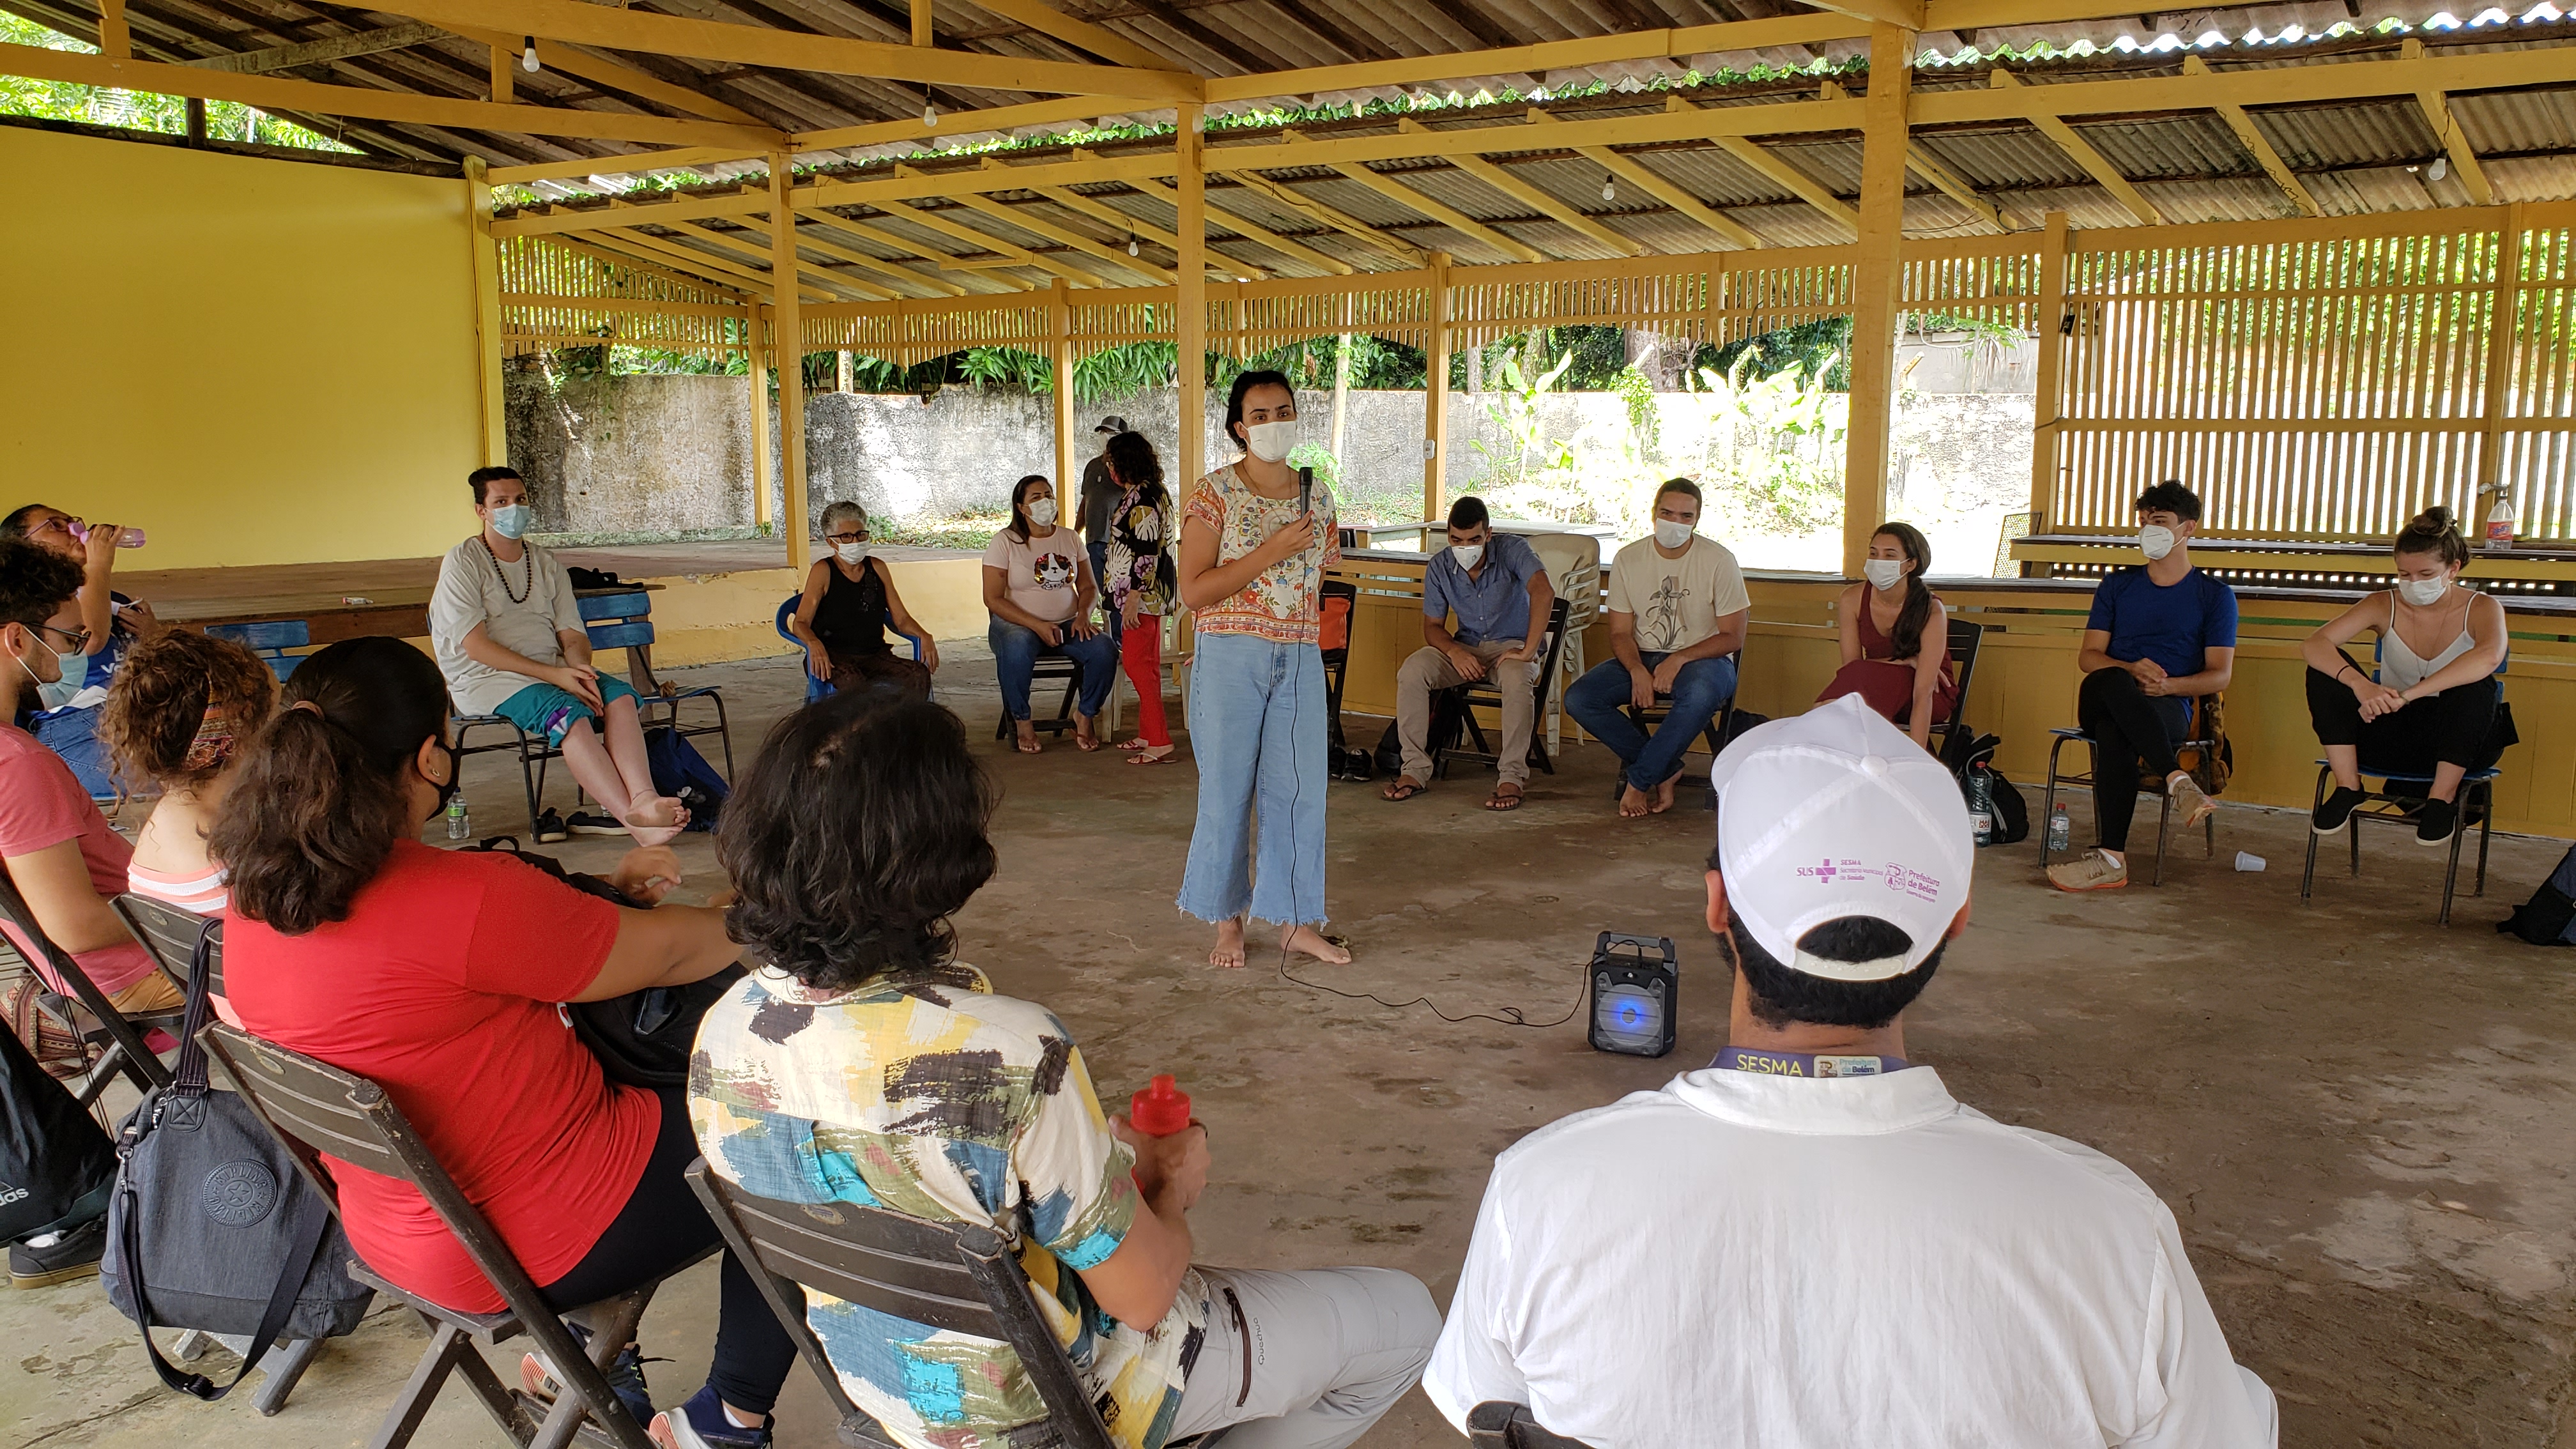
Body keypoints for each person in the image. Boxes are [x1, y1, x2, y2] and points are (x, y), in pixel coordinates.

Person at [1425, 695, 2279, 1449]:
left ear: (1717, 903)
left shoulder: (1543, 1192)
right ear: (1957, 916)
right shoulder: (2110, 1231)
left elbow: (1485, 1406)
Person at [694, 689, 1439, 1449]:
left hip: (888, 1399)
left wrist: (1086, 1167)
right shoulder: (1005, 1052)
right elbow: (1144, 1297)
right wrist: (1167, 1185)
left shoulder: (723, 1033)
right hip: (1053, 1408)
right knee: (1407, 1321)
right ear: (944, 854)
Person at [211, 637, 793, 1449]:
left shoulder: (251, 901)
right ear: (430, 758)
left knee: (650, 1095)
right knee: (802, 1139)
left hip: (394, 1231)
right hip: (528, 1239)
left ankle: (583, 1362)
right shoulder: (468, 898)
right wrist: (781, 902)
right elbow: (675, 952)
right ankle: (728, 1418)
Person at [0, 540, 168, 1290]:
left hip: (90, 967)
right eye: (71, 640)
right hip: (126, 969)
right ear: (16, 639)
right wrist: (192, 912)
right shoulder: (16, 765)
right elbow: (72, 923)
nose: (77, 655)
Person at [1176, 371, 1349, 969]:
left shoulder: (1317, 494)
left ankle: (1296, 922)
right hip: (1230, 656)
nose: (1275, 423)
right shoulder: (1215, 493)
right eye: (1261, 415)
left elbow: (1318, 578)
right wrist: (1269, 552)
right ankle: (1227, 921)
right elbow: (1194, 590)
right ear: (1240, 428)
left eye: (1284, 411)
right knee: (1226, 792)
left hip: (1298, 657)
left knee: (1300, 791)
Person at [431, 467, 688, 847]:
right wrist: (557, 677)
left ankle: (644, 799)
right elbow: (477, 647)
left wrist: (579, 667)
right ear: (481, 511)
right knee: (571, 715)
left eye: (520, 499)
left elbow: (572, 634)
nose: (514, 509)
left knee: (619, 698)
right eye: (501, 502)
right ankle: (633, 824)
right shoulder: (463, 562)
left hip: (552, 670)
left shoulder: (545, 562)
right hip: (487, 679)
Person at [2047, 480, 2237, 893]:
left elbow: (2219, 675)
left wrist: (2170, 687)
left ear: (2188, 528)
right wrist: (2130, 669)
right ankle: (2177, 780)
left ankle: (2111, 860)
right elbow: (2089, 657)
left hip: (2166, 705)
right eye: (2144, 521)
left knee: (2117, 731)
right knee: (2115, 682)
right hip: (2102, 694)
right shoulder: (2117, 586)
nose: (2149, 529)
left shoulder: (2214, 596)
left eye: (2161, 521)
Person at [2301, 506, 2511, 846]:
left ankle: (2441, 798)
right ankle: (2348, 787)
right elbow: (2315, 644)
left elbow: (2489, 656)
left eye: (2426, 574)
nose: (2414, 583)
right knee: (2324, 672)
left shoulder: (2483, 607)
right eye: (2404, 574)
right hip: (2392, 733)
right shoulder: (2382, 604)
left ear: (2453, 569)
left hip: (2462, 739)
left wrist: (2406, 696)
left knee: (2476, 684)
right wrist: (2362, 686)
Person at [1562, 479, 1751, 818]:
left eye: (1685, 516)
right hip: (1642, 655)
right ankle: (1665, 769)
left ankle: (1639, 781)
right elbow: (1620, 632)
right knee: (1580, 698)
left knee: (1699, 695)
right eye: (1667, 513)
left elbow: (1732, 637)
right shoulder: (1629, 559)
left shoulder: (1719, 560)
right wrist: (1637, 669)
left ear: (1696, 519)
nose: (1675, 523)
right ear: (1653, 514)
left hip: (1705, 660)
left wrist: (1679, 659)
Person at [1381, 496, 1555, 811]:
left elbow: (1543, 590)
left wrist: (1528, 650)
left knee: (1517, 680)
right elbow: (1433, 627)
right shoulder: (1440, 566)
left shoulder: (1512, 549)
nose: (1465, 547)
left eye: (1474, 540)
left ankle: (1511, 777)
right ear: (1448, 536)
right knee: (1413, 670)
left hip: (1510, 648)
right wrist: (1454, 652)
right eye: (1456, 540)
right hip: (1465, 647)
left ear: (1488, 534)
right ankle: (1414, 770)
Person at [0, 503, 159, 797]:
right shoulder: (37, 605)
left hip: (134, 712)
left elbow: (145, 661)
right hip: (76, 727)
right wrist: (98, 565)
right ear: (23, 548)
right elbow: (91, 639)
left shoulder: (109, 597)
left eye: (72, 522)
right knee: (170, 781)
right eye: (55, 526)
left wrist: (154, 636)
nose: (76, 530)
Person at [983, 475, 1119, 753]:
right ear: (1021, 507)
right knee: (1017, 646)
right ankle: (1022, 721)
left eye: (1048, 495)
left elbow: (1088, 587)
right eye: (1036, 497)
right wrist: (1037, 625)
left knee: (1105, 649)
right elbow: (993, 598)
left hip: (1068, 623)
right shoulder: (1005, 541)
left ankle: (1085, 714)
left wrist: (1083, 615)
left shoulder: (1069, 538)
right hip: (1018, 625)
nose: (1045, 501)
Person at [1816, 521, 1959, 750]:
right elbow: (1852, 667)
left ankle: (1818, 737)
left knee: (1843, 703)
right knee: (1849, 692)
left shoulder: (1931, 609)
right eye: (1874, 553)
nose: (1879, 561)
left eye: (1890, 555)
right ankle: (1824, 740)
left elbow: (1923, 693)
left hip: (1930, 693)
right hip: (1872, 687)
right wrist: (1903, 661)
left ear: (1910, 564)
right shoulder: (1851, 599)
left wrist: (1917, 756)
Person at [789, 500, 937, 699]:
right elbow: (800, 622)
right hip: (833, 657)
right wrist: (813, 644)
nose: (855, 542)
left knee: (918, 675)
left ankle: (904, 720)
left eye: (860, 535)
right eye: (846, 536)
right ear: (831, 542)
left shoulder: (878, 568)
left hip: (874, 655)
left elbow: (901, 619)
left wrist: (924, 636)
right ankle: (863, 722)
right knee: (855, 685)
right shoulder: (823, 571)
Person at [1099, 431, 1179, 765]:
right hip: (1146, 594)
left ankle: (1159, 740)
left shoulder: (1144, 498)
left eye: (1111, 461)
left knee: (1136, 664)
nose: (1109, 468)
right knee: (1146, 665)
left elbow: (1146, 551)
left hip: (1142, 596)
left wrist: (1133, 597)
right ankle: (1149, 732)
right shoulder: (1148, 491)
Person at [1077, 415, 1131, 646]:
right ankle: (1115, 640)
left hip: (1118, 543)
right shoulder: (1092, 466)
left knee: (1118, 592)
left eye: (1111, 434)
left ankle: (1122, 641)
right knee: (1105, 594)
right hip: (1094, 541)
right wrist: (1075, 531)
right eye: (1102, 433)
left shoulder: (1127, 469)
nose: (1105, 438)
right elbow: (1086, 501)